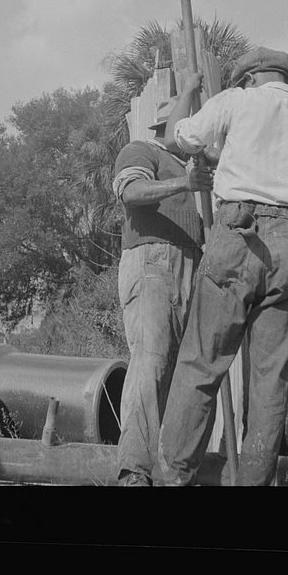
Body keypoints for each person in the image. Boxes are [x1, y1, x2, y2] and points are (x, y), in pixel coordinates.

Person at [154, 46, 288, 486]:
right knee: (271, 381)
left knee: (201, 364)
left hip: (237, 235)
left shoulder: (238, 100)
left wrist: (190, 89)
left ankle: (174, 479)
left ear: (249, 78)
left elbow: (179, 137)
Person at [111, 97, 213, 486]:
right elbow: (131, 193)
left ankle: (173, 473)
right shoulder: (140, 150)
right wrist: (183, 183)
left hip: (191, 263)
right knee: (150, 362)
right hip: (153, 259)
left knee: (185, 373)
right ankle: (134, 471)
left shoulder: (191, 167)